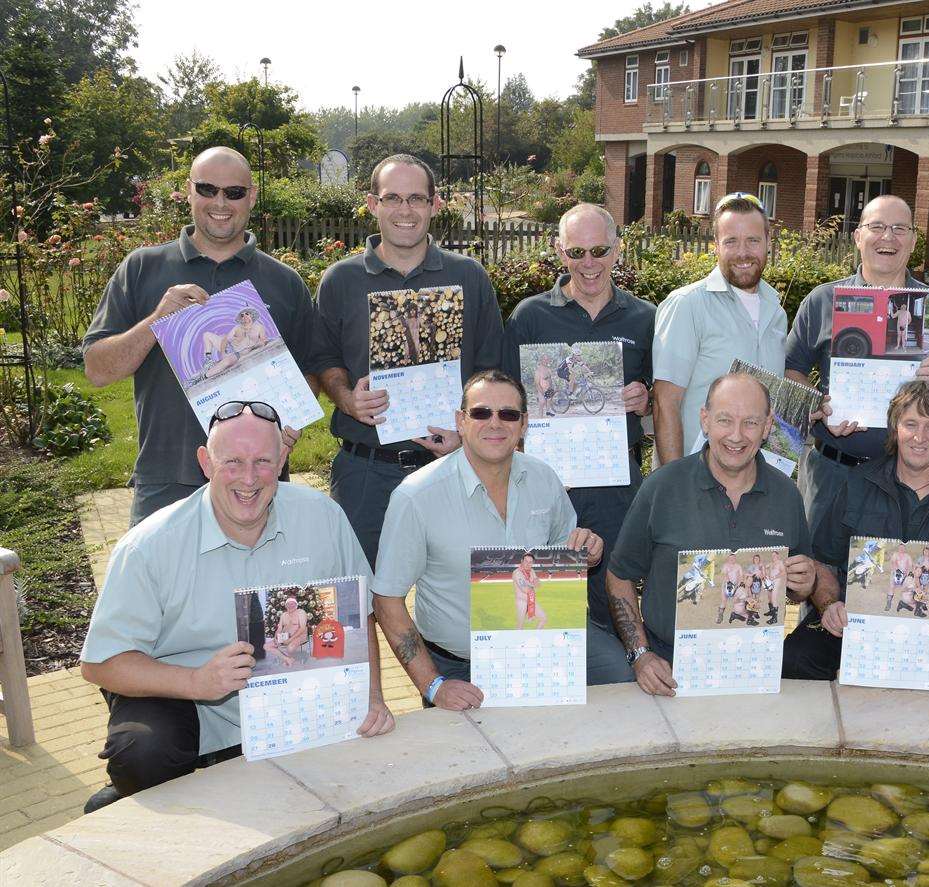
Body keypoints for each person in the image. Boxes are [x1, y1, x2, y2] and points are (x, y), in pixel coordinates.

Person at [78, 401, 393, 811]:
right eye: (233, 462)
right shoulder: (149, 546)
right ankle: (140, 795)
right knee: (142, 749)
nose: (248, 478)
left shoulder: (323, 517)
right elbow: (100, 663)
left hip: (290, 693)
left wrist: (371, 697)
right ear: (205, 462)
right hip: (184, 694)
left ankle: (239, 765)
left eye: (263, 461)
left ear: (282, 459)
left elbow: (359, 615)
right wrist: (196, 682)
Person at [82, 146, 313, 526]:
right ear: (189, 191)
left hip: (255, 484)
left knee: (253, 588)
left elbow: (309, 371)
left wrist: (289, 428)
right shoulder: (142, 267)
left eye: (234, 192)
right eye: (207, 189)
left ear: (251, 197)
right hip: (166, 480)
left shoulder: (284, 283)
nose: (220, 202)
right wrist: (158, 320)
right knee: (159, 586)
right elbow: (97, 370)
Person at [309, 154, 505, 564]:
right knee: (360, 592)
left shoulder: (468, 277)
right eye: (392, 198)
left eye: (416, 198)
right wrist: (346, 398)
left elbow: (491, 369)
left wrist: (467, 432)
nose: (405, 210)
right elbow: (324, 357)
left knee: (459, 591)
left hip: (453, 464)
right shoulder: (340, 280)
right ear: (372, 204)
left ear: (435, 205)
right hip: (366, 468)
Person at [371, 371, 602, 710]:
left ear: (523, 424)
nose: (495, 423)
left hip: (544, 649)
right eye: (481, 413)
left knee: (620, 678)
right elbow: (387, 599)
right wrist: (433, 685)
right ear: (460, 421)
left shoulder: (544, 478)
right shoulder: (415, 497)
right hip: (458, 666)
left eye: (508, 414)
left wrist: (585, 555)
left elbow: (562, 558)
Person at [501, 202, 655, 685]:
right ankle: (548, 684)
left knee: (615, 585)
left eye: (599, 250)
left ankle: (618, 685)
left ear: (618, 248)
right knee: (545, 588)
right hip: (547, 483)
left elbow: (663, 395)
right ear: (559, 252)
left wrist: (645, 397)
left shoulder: (645, 318)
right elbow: (507, 396)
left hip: (615, 482)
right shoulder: (530, 316)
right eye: (576, 251)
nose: (588, 263)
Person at [782, 381, 929, 680]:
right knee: (794, 659)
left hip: (925, 635)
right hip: (852, 623)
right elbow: (822, 560)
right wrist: (829, 604)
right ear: (895, 430)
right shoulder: (857, 483)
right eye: (911, 424)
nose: (920, 437)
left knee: (902, 694)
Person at [607, 372, 816, 696]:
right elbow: (619, 577)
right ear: (705, 420)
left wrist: (804, 584)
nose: (736, 435)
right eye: (724, 420)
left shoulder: (786, 494)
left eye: (750, 422)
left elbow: (797, 590)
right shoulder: (662, 488)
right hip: (671, 675)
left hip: (756, 672)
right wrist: (640, 656)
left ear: (767, 426)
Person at [785, 195, 929, 538]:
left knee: (889, 584)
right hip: (831, 472)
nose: (888, 238)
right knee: (819, 577)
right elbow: (792, 369)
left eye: (900, 229)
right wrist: (816, 404)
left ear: (913, 241)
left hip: (905, 477)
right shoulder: (823, 299)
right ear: (857, 237)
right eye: (877, 227)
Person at [653, 194, 786, 465]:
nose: (743, 252)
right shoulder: (687, 305)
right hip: (697, 480)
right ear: (715, 246)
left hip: (755, 482)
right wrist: (675, 486)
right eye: (731, 241)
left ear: (768, 243)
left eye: (753, 240)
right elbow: (665, 404)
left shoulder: (777, 313)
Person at [512, 553, 547, 630]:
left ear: (533, 563)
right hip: (522, 601)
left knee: (543, 619)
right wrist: (533, 583)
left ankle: (535, 636)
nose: (528, 564)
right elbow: (525, 589)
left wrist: (534, 583)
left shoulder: (532, 571)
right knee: (520, 626)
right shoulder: (517, 573)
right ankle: (518, 641)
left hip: (531, 600)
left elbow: (538, 584)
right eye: (526, 561)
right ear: (522, 561)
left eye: (530, 562)